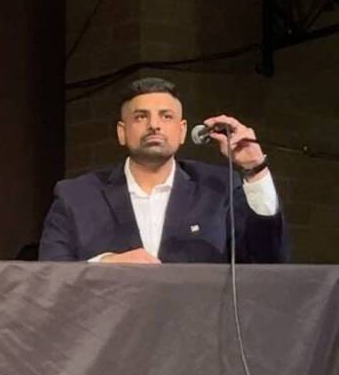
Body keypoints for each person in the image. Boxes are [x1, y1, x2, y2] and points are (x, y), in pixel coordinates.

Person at [39, 77, 287, 263]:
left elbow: (267, 259)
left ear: (182, 131)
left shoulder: (219, 188)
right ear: (122, 132)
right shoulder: (77, 196)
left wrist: (255, 169)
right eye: (140, 117)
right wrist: (105, 265)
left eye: (166, 116)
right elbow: (49, 276)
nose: (154, 125)